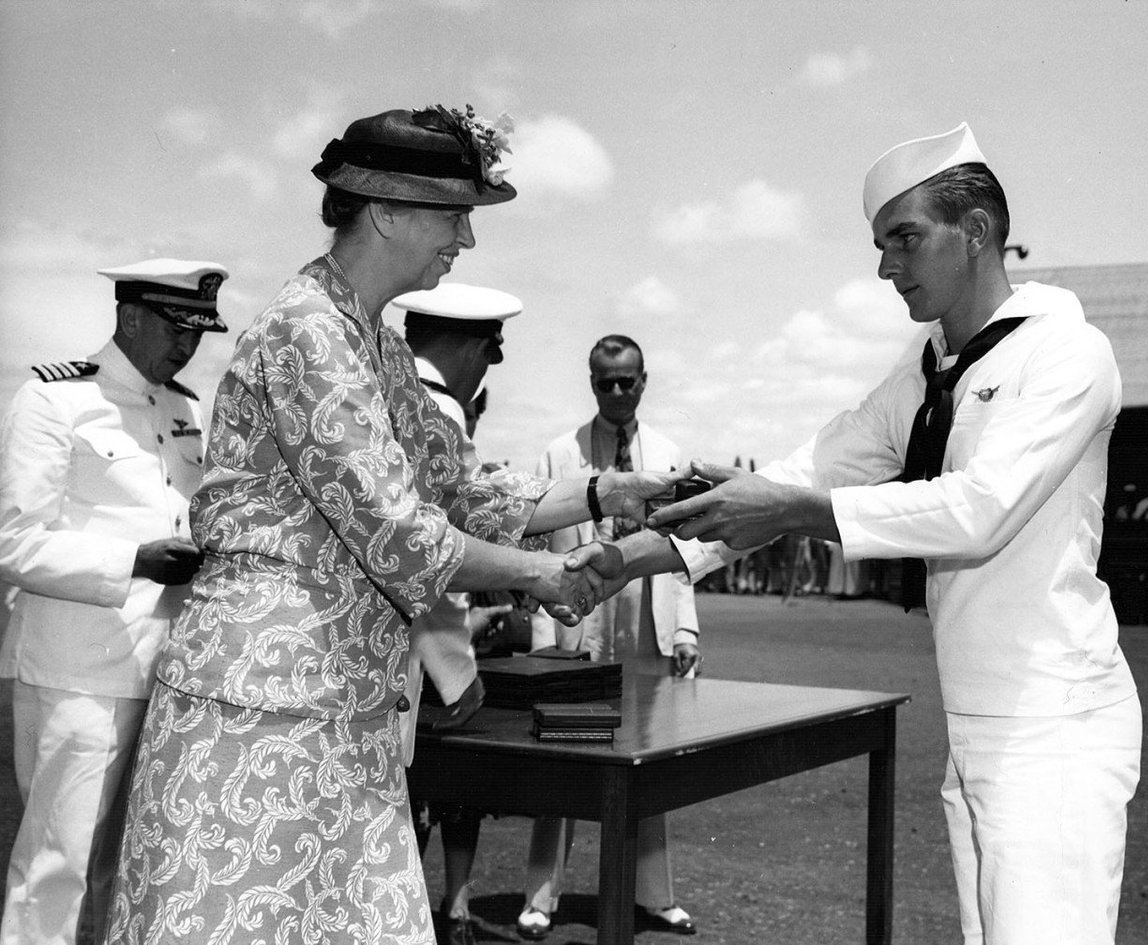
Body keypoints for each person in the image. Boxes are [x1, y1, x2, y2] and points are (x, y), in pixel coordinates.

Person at [100, 106, 678, 945]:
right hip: (262, 712)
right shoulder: (309, 329)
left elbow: (462, 492)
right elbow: (401, 533)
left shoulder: (368, 338)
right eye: (456, 215)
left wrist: (608, 494)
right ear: (387, 211)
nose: (466, 240)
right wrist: (542, 575)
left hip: (339, 711)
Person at [627, 123, 1141, 945]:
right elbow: (818, 467)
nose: (884, 267)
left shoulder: (1068, 353)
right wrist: (625, 559)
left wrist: (791, 510)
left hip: (1057, 727)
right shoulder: (930, 365)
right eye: (880, 244)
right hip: (978, 722)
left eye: (904, 238)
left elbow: (979, 508)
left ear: (975, 233)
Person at [0, 258, 228, 945]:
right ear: (130, 316)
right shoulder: (55, 399)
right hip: (79, 672)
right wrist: (134, 561)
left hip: (168, 673)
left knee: (133, 864)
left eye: (198, 332)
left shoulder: (184, 406)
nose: (187, 346)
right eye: (174, 327)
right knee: (58, 863)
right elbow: (15, 543)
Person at [516, 335, 699, 940]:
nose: (617, 392)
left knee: (649, 764)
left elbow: (685, 549)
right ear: (591, 383)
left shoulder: (671, 453)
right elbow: (538, 551)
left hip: (646, 622)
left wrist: (685, 629)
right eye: (605, 382)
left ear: (644, 379)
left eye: (627, 381)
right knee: (564, 765)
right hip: (578, 628)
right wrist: (546, 638)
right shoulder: (558, 453)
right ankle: (542, 898)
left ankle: (654, 895)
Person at [391, 280, 525, 945]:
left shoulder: (376, 381)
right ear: (473, 349)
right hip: (386, 671)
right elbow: (434, 556)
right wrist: (458, 671)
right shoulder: (437, 408)